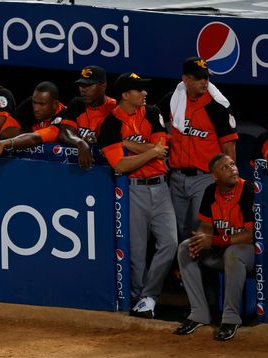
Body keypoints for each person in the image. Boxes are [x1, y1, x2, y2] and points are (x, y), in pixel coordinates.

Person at [97, 72, 177, 319]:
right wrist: (150, 150)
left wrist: (131, 146)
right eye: (139, 90)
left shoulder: (152, 112)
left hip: (161, 188)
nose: (145, 93)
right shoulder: (110, 124)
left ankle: (148, 296)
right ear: (124, 95)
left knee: (170, 243)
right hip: (133, 190)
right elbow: (119, 166)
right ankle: (140, 301)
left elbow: (162, 149)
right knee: (137, 255)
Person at [173, 153, 254, 341]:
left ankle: (230, 318)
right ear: (214, 176)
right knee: (185, 248)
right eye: (225, 167)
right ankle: (198, 313)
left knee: (233, 253)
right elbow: (206, 226)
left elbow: (251, 236)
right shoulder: (211, 191)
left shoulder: (248, 190)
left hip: (248, 254)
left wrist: (215, 241)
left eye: (233, 164)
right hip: (222, 250)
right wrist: (199, 241)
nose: (232, 169)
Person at [159, 57, 237, 244]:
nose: (204, 82)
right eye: (198, 78)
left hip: (205, 178)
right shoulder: (172, 100)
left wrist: (227, 182)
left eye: (206, 77)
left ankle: (201, 272)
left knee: (200, 231)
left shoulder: (217, 107)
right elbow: (153, 121)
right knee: (177, 232)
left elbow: (229, 147)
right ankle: (181, 271)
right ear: (185, 79)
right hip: (176, 177)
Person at [0, 81, 92, 169]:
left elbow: (35, 138)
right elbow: (6, 131)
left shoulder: (63, 116)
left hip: (55, 167)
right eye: (34, 102)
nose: (36, 108)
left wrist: (4, 144)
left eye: (42, 104)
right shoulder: (29, 106)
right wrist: (26, 139)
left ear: (55, 104)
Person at [61, 65, 116, 144]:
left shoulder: (115, 108)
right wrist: (80, 142)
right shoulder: (76, 104)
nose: (83, 90)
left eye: (88, 85)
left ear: (103, 86)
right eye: (81, 85)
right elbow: (65, 133)